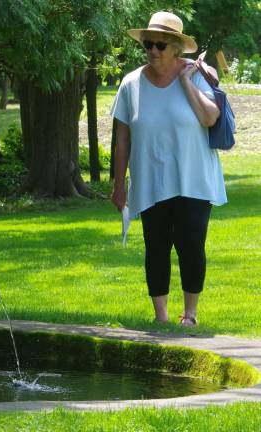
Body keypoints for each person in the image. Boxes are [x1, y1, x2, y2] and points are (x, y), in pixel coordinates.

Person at [110, 11, 227, 326]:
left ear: (176, 47)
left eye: (160, 45)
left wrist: (187, 82)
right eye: (148, 44)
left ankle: (190, 315)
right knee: (156, 247)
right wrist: (119, 184)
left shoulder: (197, 76)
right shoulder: (131, 84)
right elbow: (122, 140)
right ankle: (160, 317)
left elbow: (209, 118)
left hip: (194, 178)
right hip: (151, 179)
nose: (153, 51)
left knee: (190, 243)